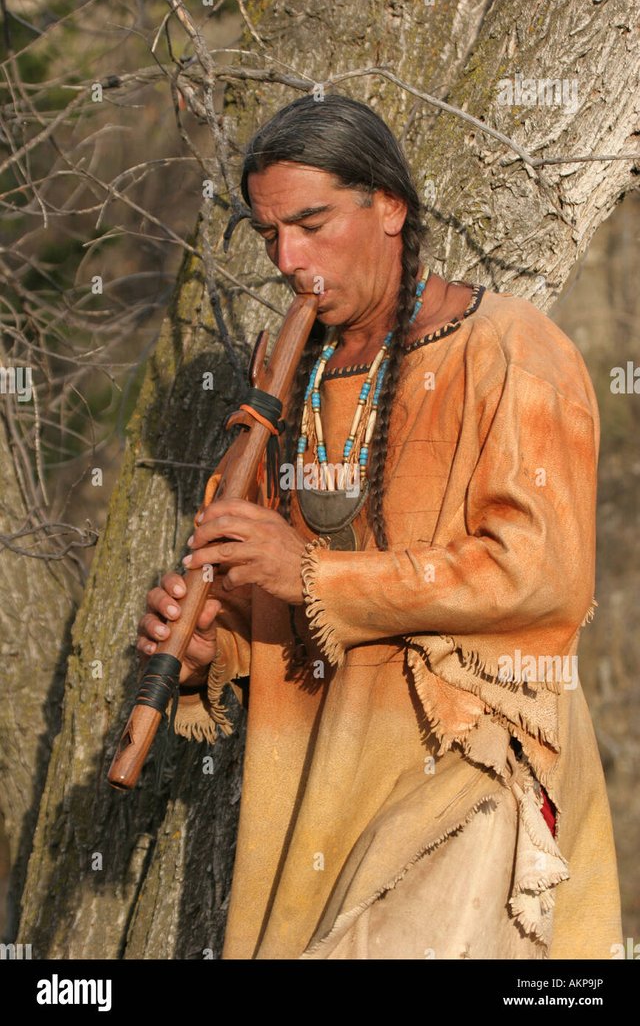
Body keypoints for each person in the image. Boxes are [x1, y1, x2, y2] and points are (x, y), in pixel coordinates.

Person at [136, 94, 622, 959]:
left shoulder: (511, 348)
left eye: (312, 223)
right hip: (320, 790)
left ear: (389, 206)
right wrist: (220, 645)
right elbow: (275, 600)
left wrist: (314, 575)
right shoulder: (279, 381)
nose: (289, 258)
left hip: (466, 779)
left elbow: (539, 571)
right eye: (269, 233)